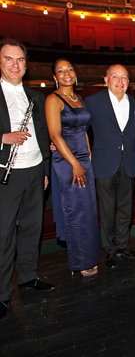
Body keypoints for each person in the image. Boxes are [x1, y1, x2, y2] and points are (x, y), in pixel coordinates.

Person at [0, 38, 55, 320]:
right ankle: (1, 293)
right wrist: (3, 138)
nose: (15, 65)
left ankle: (28, 277)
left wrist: (45, 171)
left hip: (35, 171)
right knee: (4, 234)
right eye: (9, 59)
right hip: (6, 175)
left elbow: (43, 136)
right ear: (0, 62)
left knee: (32, 229)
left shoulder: (35, 96)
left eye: (20, 60)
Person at [45, 58, 99, 277]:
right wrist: (75, 163)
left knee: (89, 211)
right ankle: (80, 262)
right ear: (54, 77)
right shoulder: (53, 99)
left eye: (69, 69)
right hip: (67, 162)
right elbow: (55, 135)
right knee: (76, 211)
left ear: (75, 73)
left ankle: (90, 257)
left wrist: (88, 154)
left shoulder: (78, 98)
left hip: (83, 160)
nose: (66, 74)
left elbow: (83, 130)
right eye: (61, 71)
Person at [85, 64, 135, 269]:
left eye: (124, 77)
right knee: (108, 210)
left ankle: (122, 245)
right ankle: (109, 250)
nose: (120, 81)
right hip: (103, 165)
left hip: (128, 165)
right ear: (106, 79)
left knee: (126, 209)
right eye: (115, 76)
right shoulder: (92, 102)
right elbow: (80, 129)